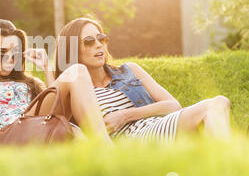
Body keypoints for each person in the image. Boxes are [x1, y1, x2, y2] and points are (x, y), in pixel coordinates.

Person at [55, 17, 232, 142]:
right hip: (130, 142)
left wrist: (125, 115)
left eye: (101, 38)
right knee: (213, 106)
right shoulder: (78, 91)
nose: (99, 44)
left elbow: (172, 105)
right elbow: (55, 119)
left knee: (218, 103)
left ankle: (227, 166)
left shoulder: (129, 70)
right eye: (88, 41)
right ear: (71, 49)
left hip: (157, 126)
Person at [0, 19, 111, 143]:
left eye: (15, 52)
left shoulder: (30, 83)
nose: (10, 57)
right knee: (77, 71)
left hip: (34, 129)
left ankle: (104, 150)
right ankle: (106, 149)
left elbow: (57, 108)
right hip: (7, 137)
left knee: (78, 73)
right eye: (2, 52)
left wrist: (46, 67)